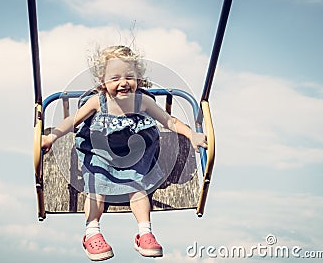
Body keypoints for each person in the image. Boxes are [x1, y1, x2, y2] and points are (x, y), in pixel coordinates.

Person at [42, 45, 207, 261]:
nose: (123, 83)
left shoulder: (142, 101)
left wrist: (191, 134)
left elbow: (170, 121)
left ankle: (145, 232)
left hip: (133, 154)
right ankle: (92, 232)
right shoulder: (97, 102)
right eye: (115, 78)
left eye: (130, 76)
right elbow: (72, 121)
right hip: (101, 153)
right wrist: (51, 137)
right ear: (102, 81)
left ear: (138, 78)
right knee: (96, 186)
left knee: (137, 187)